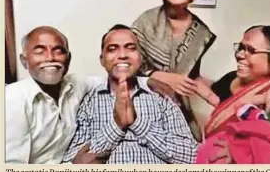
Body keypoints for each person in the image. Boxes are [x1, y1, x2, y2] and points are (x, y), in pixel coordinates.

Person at [62, 24, 198, 164]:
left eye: (131, 48)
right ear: (102, 60)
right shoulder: (89, 102)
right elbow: (75, 161)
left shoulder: (161, 97)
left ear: (140, 58)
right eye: (112, 49)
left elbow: (192, 157)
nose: (122, 55)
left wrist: (138, 123)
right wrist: (116, 126)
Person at [5, 26, 110, 164]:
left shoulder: (76, 84)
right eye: (39, 52)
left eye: (58, 51)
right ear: (24, 61)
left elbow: (114, 81)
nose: (50, 58)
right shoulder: (12, 99)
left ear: (68, 58)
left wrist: (147, 81)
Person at [131, 0, 217, 141]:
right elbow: (126, 65)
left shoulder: (201, 33)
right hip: (142, 105)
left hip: (179, 109)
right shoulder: (146, 21)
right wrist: (157, 75)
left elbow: (190, 77)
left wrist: (217, 100)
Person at [189, 25, 270, 164]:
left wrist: (238, 151)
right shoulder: (232, 78)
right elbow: (222, 101)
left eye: (250, 50)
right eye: (240, 47)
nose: (240, 54)